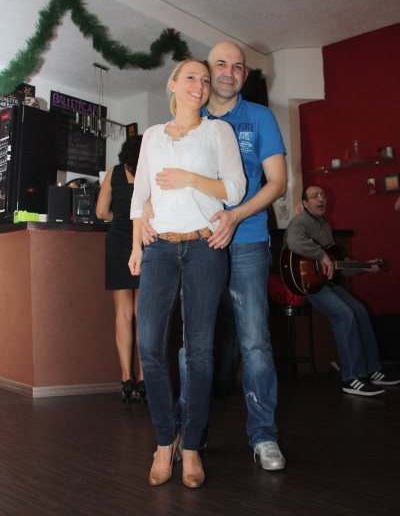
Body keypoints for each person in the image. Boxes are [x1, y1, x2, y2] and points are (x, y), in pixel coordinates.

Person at [142, 42, 288, 471]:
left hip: (247, 240)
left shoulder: (259, 117)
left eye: (237, 67)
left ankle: (264, 435)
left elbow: (278, 182)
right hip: (195, 245)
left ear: (245, 76)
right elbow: (161, 179)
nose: (227, 72)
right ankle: (192, 433)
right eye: (219, 65)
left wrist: (235, 216)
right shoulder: (191, 119)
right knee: (194, 345)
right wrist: (148, 206)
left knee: (255, 340)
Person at [128, 58, 246, 488]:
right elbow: (140, 195)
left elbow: (235, 188)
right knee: (149, 346)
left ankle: (192, 444)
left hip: (204, 247)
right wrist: (136, 244)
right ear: (173, 84)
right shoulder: (152, 136)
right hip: (159, 248)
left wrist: (189, 178)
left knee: (199, 351)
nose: (200, 84)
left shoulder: (219, 132)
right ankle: (165, 440)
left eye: (206, 79)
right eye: (192, 77)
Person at [283, 185, 400, 396]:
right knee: (344, 314)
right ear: (305, 204)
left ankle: (372, 370)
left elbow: (336, 262)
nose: (321, 199)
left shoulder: (324, 225)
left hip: (328, 283)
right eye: (314, 196)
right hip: (310, 284)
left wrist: (364, 266)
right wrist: (321, 255)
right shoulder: (300, 222)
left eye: (323, 195)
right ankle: (352, 378)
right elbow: (293, 241)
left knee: (360, 312)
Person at [96, 135, 146, 404]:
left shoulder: (113, 174)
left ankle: (127, 379)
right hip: (145, 243)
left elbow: (101, 212)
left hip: (117, 244)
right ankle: (144, 378)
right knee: (143, 314)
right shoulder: (151, 173)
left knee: (123, 314)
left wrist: (121, 218)